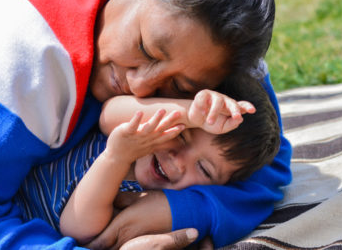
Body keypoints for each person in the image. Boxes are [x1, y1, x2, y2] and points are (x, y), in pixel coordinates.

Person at [0, 0, 292, 249]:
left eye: (181, 86)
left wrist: (184, 209)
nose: (139, 85)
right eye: (144, 48)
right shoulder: (17, 62)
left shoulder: (218, 45)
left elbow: (268, 157)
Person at [15, 74, 281, 246]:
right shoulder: (136, 133)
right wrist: (189, 113)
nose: (178, 160)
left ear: (217, 188)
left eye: (203, 167)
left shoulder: (138, 199)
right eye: (183, 134)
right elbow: (108, 115)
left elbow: (77, 227)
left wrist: (117, 157)